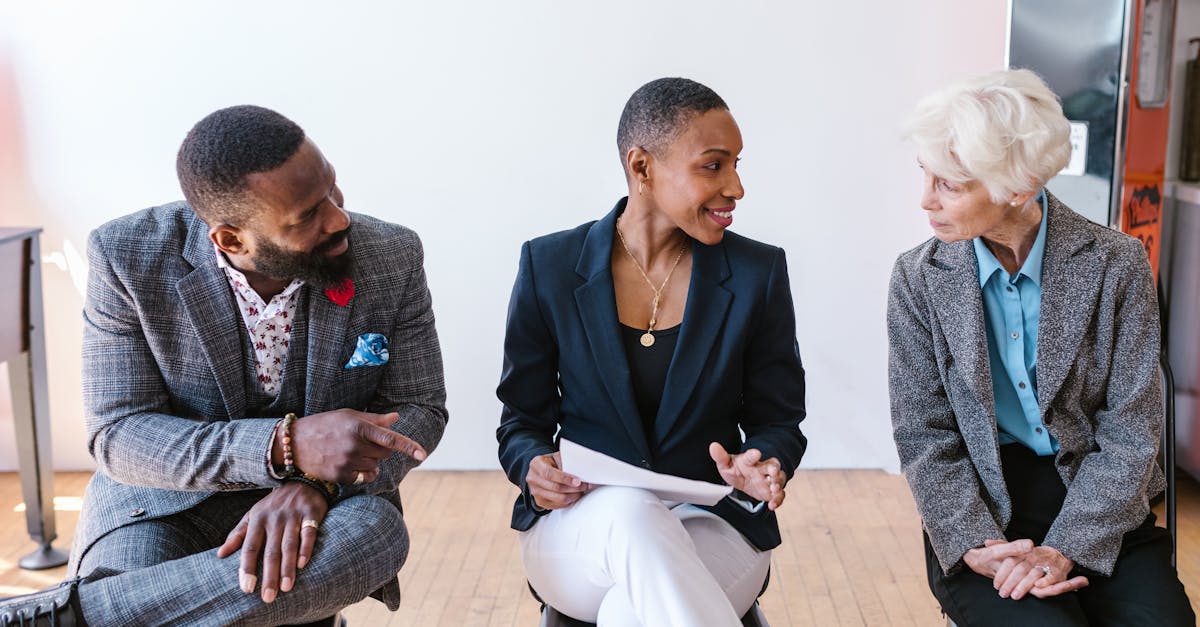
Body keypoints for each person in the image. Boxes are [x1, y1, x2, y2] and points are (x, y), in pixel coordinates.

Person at [0, 105, 447, 626]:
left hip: (325, 509)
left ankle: (70, 616)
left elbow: (419, 406)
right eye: (307, 215)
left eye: (332, 188)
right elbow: (119, 434)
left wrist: (315, 484)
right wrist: (284, 446)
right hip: (160, 507)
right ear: (230, 240)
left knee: (375, 536)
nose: (338, 218)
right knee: (135, 579)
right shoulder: (126, 256)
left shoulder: (391, 254)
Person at [888, 69, 1195, 626]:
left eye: (950, 185)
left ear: (1018, 188)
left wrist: (1065, 545)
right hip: (983, 508)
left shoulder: (1116, 264)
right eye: (925, 175)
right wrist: (976, 542)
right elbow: (923, 431)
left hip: (1102, 499)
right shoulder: (918, 278)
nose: (925, 201)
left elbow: (1132, 429)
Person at [496, 77, 807, 625]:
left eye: (737, 164)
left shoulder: (759, 273)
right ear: (642, 168)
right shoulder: (548, 266)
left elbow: (778, 420)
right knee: (631, 513)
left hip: (714, 523)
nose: (736, 187)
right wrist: (533, 468)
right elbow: (521, 420)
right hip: (580, 529)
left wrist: (763, 463)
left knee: (632, 610)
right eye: (713, 165)